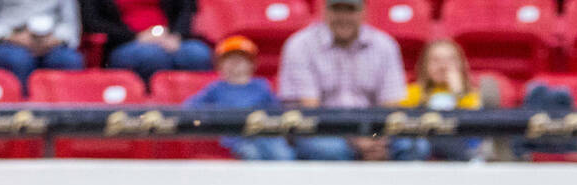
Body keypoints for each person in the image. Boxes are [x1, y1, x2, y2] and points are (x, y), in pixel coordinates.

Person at [277, 0, 414, 161]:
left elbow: (391, 105)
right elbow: (310, 110)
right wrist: (355, 140)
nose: (343, 17)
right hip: (320, 129)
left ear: (363, 12)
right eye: (337, 9)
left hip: (374, 129)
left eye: (350, 10)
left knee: (413, 144)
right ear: (325, 11)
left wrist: (377, 139)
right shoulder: (300, 45)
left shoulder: (385, 45)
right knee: (330, 149)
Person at [184, 36, 294, 161]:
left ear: (252, 64)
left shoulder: (261, 86)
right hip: (236, 139)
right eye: (229, 60)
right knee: (251, 154)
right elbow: (190, 106)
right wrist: (217, 116)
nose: (235, 64)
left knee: (282, 154)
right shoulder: (216, 89)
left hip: (264, 134)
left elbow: (277, 110)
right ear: (220, 65)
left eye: (241, 60)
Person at [80, 0, 212, 84]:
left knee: (198, 54)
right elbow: (93, 22)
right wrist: (137, 37)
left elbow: (185, 9)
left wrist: (176, 35)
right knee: (153, 57)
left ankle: (200, 113)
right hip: (124, 43)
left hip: (170, 39)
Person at [0, 0, 84, 93]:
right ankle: (19, 117)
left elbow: (71, 25)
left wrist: (54, 39)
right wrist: (11, 37)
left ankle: (66, 119)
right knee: (18, 61)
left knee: (69, 60)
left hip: (52, 40)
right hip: (9, 40)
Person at [398, 38, 481, 161]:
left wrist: (458, 91)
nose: (443, 66)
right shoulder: (411, 92)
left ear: (461, 64)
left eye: (450, 60)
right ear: (424, 64)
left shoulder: (471, 95)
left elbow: (476, 124)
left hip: (460, 146)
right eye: (435, 60)